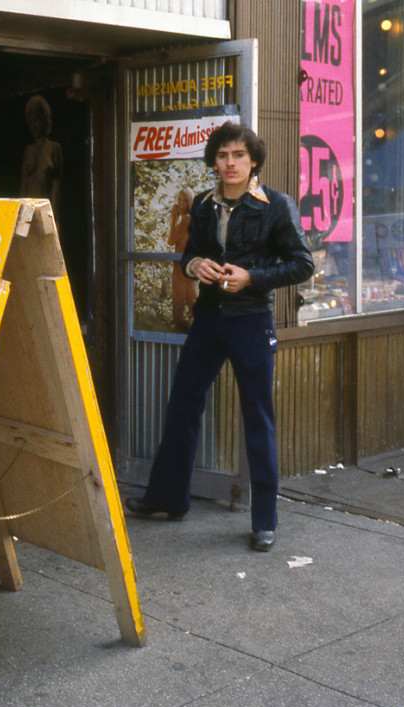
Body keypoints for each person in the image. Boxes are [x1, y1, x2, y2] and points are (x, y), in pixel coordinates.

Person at [126, 123, 314, 552]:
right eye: (223, 155)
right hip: (209, 319)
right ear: (214, 161)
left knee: (258, 417)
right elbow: (191, 252)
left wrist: (252, 277)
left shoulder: (276, 205)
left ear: (254, 162)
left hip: (251, 321)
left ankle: (264, 520)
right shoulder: (207, 206)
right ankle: (168, 499)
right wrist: (195, 268)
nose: (230, 163)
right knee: (182, 405)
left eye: (239, 156)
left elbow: (302, 264)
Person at [19, 95, 63, 210]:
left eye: (36, 121)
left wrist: (53, 213)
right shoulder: (29, 150)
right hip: (29, 210)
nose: (33, 126)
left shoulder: (54, 148)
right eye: (30, 123)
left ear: (44, 119)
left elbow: (56, 186)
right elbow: (24, 185)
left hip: (45, 210)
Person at [167, 187, 197, 328]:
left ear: (190, 203)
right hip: (186, 263)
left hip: (180, 264)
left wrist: (173, 218)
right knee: (190, 298)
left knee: (178, 299)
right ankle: (196, 325)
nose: (180, 203)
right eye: (179, 199)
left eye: (185, 201)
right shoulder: (190, 219)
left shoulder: (186, 219)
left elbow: (171, 241)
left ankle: (179, 327)